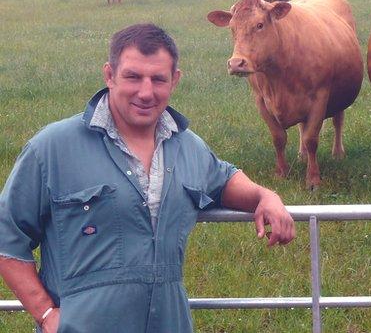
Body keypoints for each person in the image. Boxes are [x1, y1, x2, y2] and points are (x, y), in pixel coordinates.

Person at [0, 23, 296, 333]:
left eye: (158, 79)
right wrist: (46, 313)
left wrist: (266, 196)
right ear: (109, 75)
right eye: (132, 77)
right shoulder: (53, 148)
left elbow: (223, 180)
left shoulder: (187, 146)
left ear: (175, 81)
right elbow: (7, 237)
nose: (145, 92)